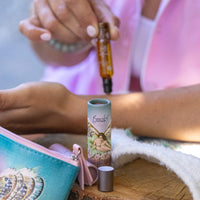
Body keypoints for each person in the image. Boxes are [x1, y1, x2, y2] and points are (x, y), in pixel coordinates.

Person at [1, 0, 200, 142]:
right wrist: (59, 25)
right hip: (62, 126)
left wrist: (71, 111)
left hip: (177, 154)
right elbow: (48, 53)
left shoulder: (66, 112)